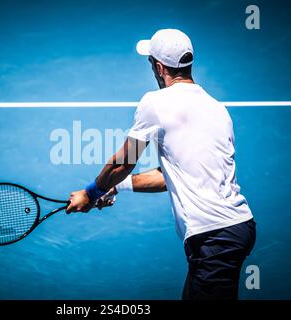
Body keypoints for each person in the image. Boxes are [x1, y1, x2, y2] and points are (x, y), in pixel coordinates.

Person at [66, 29, 256, 300]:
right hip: (235, 229)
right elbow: (173, 175)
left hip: (214, 238)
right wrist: (117, 188)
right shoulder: (217, 108)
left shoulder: (155, 102)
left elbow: (123, 162)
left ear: (158, 67)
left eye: (150, 63)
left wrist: (91, 192)